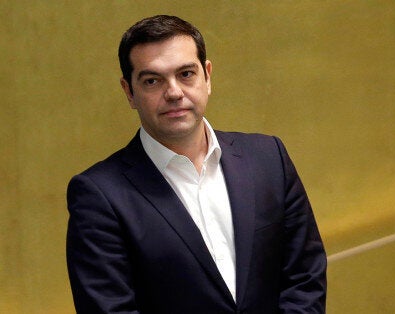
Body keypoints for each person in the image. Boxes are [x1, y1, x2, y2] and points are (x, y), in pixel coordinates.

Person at [66, 15, 326, 313]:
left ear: (207, 75)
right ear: (129, 92)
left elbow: (305, 277)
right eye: (153, 80)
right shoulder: (99, 195)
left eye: (186, 74)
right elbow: (109, 308)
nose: (174, 92)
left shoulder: (269, 157)